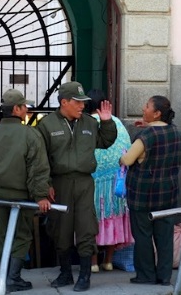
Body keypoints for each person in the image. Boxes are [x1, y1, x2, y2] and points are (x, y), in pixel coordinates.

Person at [36, 81, 117, 292]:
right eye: (78, 102)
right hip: (59, 183)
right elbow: (39, 159)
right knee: (60, 229)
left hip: (84, 182)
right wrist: (45, 185)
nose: (82, 106)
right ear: (64, 102)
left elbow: (106, 141)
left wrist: (107, 122)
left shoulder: (90, 123)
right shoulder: (47, 125)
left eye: (83, 102)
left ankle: (84, 276)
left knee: (86, 227)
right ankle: (65, 273)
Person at [0, 89, 52, 292]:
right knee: (21, 235)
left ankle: (6, 275)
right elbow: (38, 168)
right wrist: (41, 195)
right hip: (20, 196)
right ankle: (13, 277)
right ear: (16, 109)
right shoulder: (30, 134)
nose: (27, 109)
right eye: (24, 106)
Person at [121, 95, 181, 286]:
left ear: (156, 113)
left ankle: (146, 275)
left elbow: (127, 160)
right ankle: (165, 276)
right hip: (168, 193)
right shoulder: (176, 133)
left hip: (143, 196)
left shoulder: (146, 137)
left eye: (147, 106)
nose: (143, 108)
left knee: (142, 236)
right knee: (164, 237)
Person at [84, 90, 133, 273]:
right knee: (113, 218)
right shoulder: (118, 123)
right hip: (117, 182)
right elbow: (127, 149)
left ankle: (94, 262)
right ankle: (109, 261)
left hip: (94, 181)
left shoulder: (86, 124)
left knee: (93, 220)